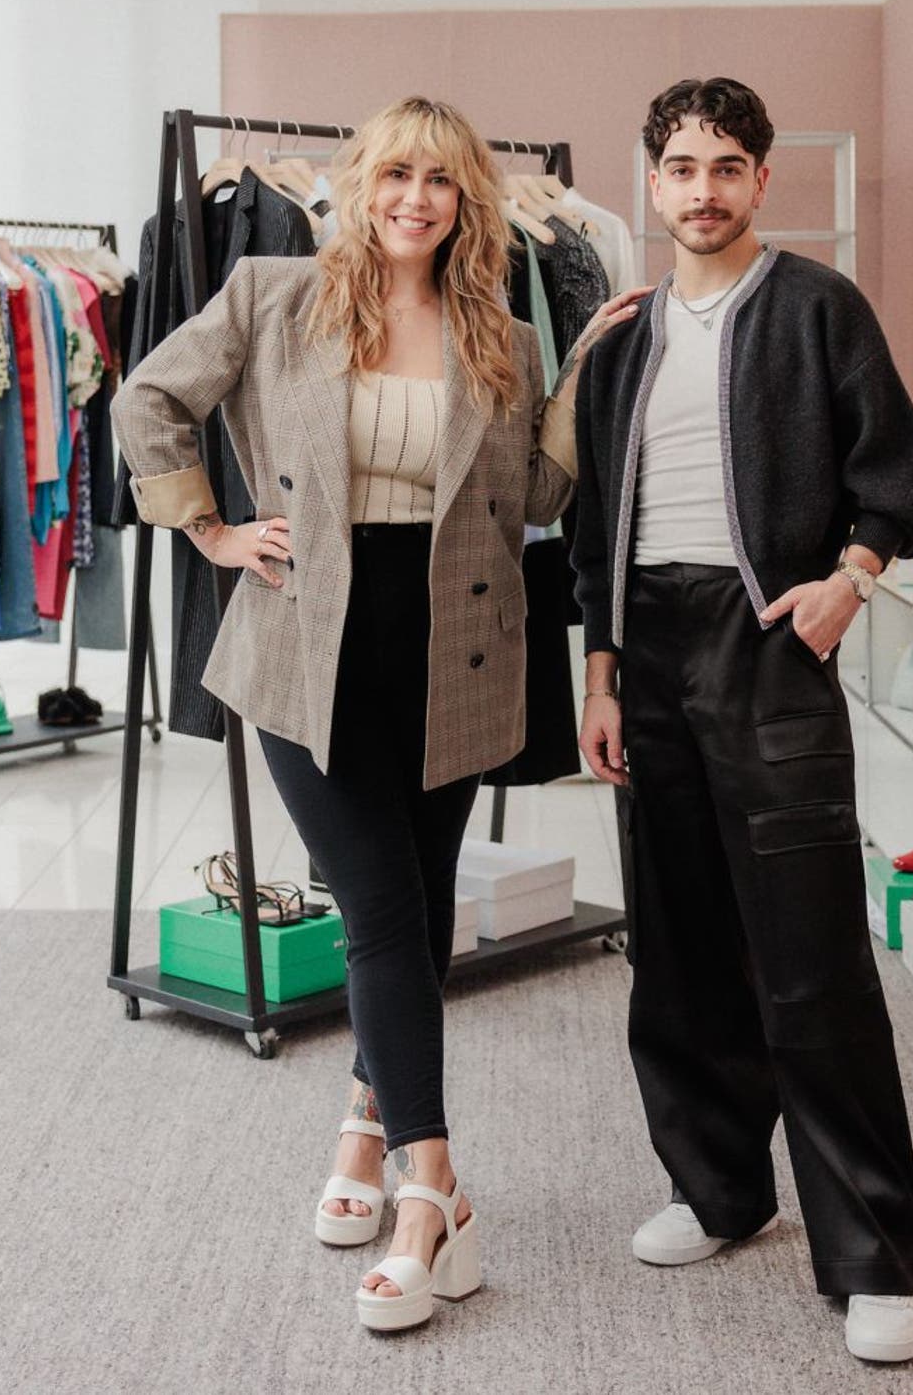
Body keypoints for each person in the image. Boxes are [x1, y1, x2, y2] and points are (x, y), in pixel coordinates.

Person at [113, 95, 644, 1334]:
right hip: (310, 643)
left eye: (440, 182)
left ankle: (362, 1126)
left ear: (469, 203)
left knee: (415, 898)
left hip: (456, 644)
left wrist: (581, 374)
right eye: (395, 174)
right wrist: (211, 528)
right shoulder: (270, 292)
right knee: (381, 911)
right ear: (358, 185)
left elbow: (539, 492)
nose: (415, 198)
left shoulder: (500, 329)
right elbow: (147, 401)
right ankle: (433, 1191)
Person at [571, 78, 913, 1364]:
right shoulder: (617, 337)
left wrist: (849, 581)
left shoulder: (817, 307)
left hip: (767, 637)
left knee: (808, 959)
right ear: (652, 180)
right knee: (673, 947)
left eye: (727, 165)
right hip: (648, 652)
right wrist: (601, 672)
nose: (703, 189)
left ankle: (875, 1254)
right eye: (681, 166)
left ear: (761, 180)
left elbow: (896, 478)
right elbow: (584, 529)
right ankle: (717, 1190)